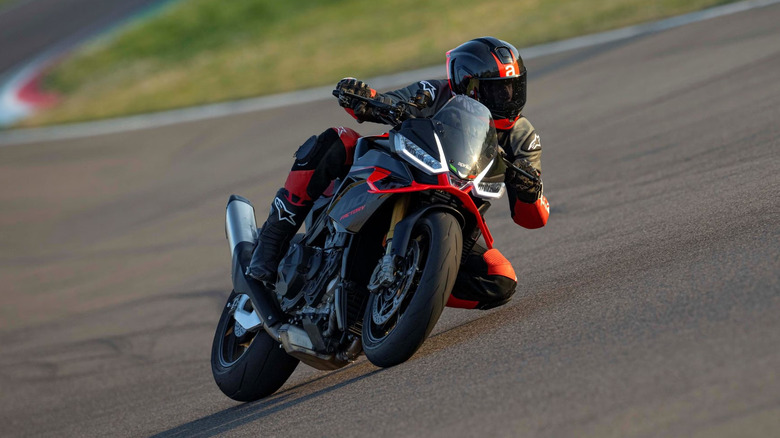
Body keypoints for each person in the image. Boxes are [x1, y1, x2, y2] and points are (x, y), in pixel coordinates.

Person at [248, 37, 549, 310]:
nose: (508, 97)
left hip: (458, 212)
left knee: (501, 278)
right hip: (405, 177)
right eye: (497, 89)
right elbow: (391, 102)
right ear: (467, 85)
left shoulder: (523, 137)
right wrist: (364, 97)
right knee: (338, 140)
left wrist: (530, 190)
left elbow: (532, 219)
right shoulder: (435, 93)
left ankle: (415, 294)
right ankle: (271, 243)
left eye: (513, 87)